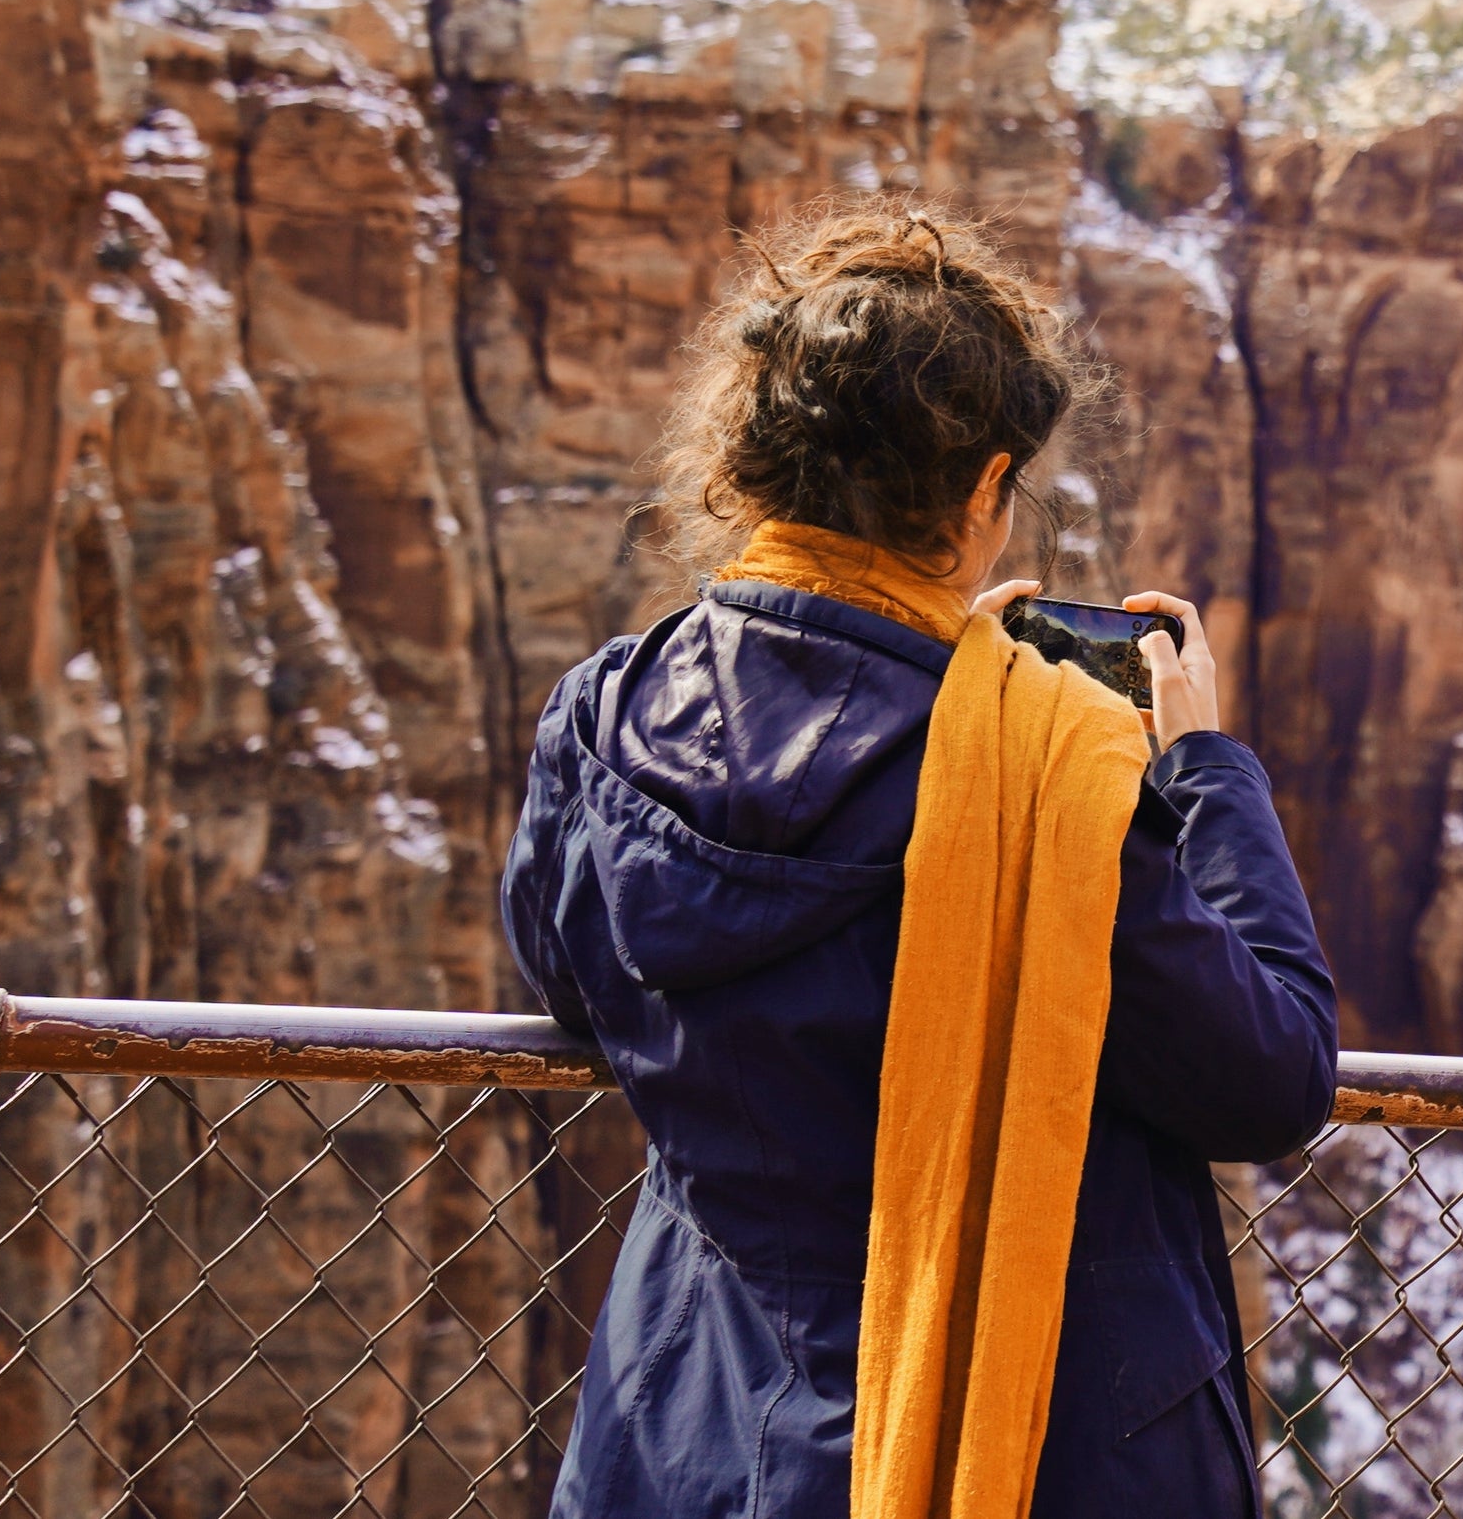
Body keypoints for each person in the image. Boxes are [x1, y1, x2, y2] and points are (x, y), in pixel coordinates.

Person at [500, 198, 1336, 1519]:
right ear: (985, 489)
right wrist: (1202, 774)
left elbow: (571, 974)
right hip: (1032, 1460)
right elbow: (1272, 1071)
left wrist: (937, 669)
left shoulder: (603, 716)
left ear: (757, 459)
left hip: (686, 1446)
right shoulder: (1042, 770)